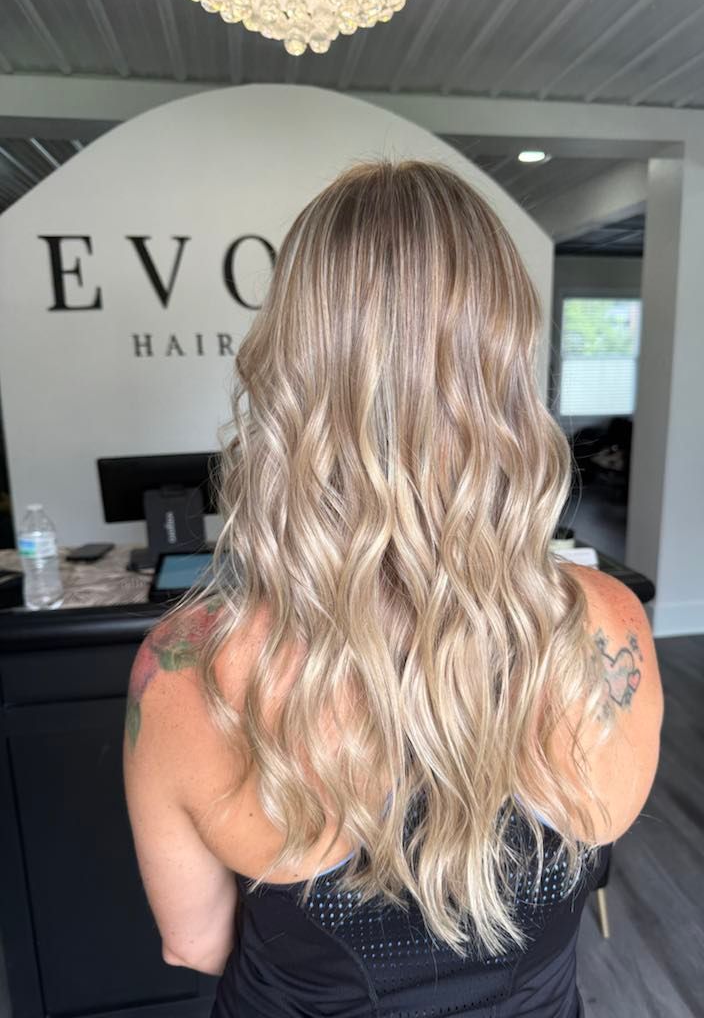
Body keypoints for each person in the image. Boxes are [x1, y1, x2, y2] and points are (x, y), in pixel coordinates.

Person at [123, 160, 663, 1017]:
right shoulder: (611, 624)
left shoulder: (187, 668)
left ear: (289, 368)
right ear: (505, 366)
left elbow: (194, 944)